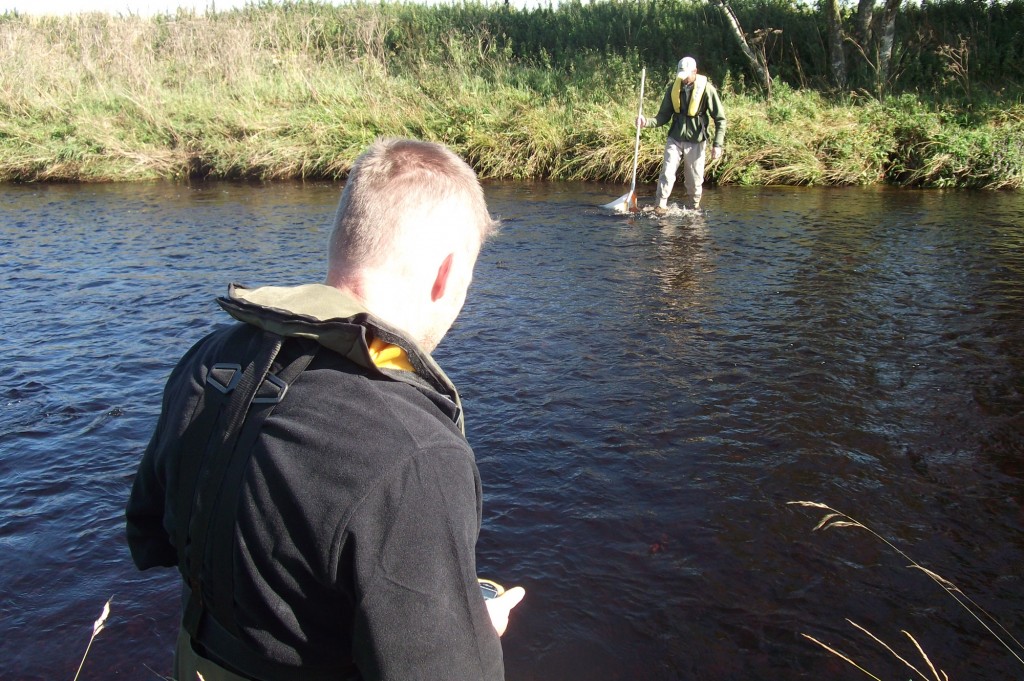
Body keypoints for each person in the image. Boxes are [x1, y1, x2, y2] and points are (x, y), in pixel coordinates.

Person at [126, 137, 525, 681]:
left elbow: (151, 533)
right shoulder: (417, 451)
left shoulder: (211, 360)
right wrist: (472, 625)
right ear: (447, 275)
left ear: (346, 240)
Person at [638, 56, 727, 211]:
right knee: (667, 172)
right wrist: (646, 122)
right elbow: (663, 116)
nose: (684, 80)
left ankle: (694, 207)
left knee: (694, 179)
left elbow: (720, 119)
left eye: (687, 76)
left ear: (695, 71)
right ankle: (660, 206)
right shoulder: (674, 88)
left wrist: (717, 145)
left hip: (696, 140)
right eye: (682, 76)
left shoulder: (707, 89)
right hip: (675, 138)